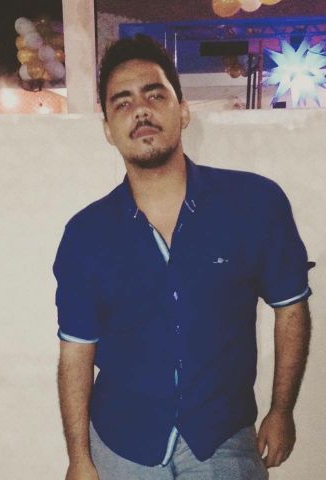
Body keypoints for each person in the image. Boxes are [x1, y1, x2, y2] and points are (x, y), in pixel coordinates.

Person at [53, 35, 312, 480]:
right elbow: (75, 353)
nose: (140, 110)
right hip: (120, 445)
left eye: (155, 95)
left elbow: (291, 307)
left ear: (184, 111)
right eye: (122, 102)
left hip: (223, 440)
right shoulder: (85, 234)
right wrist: (79, 458)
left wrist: (282, 410)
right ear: (108, 129)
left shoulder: (254, 204)